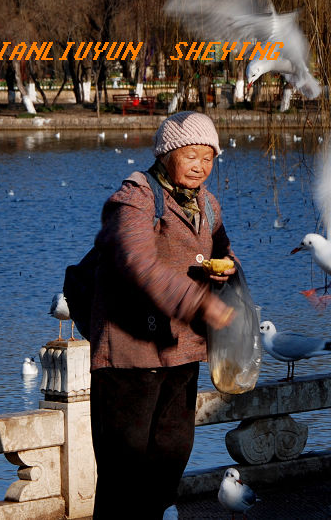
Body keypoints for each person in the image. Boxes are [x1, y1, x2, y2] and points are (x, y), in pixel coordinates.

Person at [89, 111, 236, 518]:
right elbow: (136, 262)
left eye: (208, 157)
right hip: (130, 354)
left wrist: (227, 268)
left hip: (182, 352)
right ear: (167, 153)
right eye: (191, 154)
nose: (200, 165)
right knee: (124, 472)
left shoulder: (206, 203)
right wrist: (199, 301)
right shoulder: (136, 197)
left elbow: (224, 249)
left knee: (170, 460)